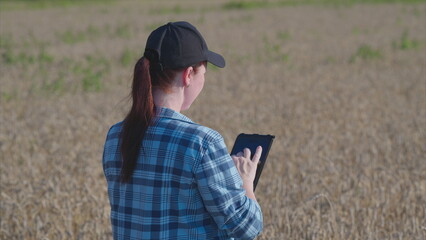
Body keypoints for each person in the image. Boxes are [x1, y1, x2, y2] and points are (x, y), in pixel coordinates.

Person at [102, 21, 263, 240]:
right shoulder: (203, 143)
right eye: (203, 73)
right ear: (188, 75)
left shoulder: (115, 136)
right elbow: (247, 227)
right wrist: (245, 181)